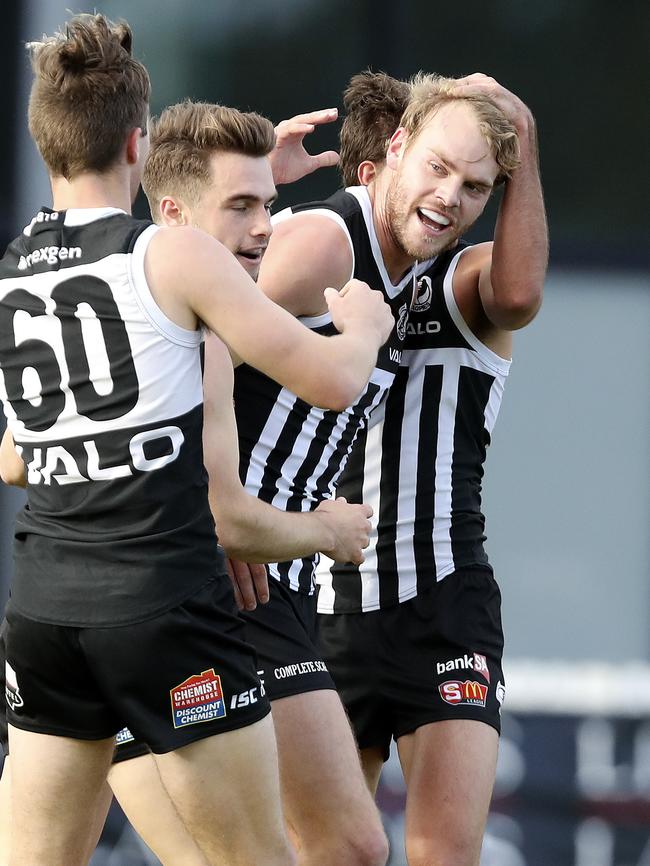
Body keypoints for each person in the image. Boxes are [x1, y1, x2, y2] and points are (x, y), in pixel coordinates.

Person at [0, 15, 392, 866]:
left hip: (42, 612)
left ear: (43, 142)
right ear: (139, 144)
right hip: (162, 608)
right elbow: (331, 379)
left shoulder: (17, 268)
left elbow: (12, 453)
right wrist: (361, 327)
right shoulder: (172, 254)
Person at [316, 70, 548, 866]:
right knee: (332, 854)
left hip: (445, 600)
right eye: (436, 170)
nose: (448, 196)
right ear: (385, 162)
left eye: (476, 182)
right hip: (328, 607)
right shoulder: (330, 275)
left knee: (444, 855)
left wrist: (525, 133)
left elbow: (518, 294)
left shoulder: (464, 279)